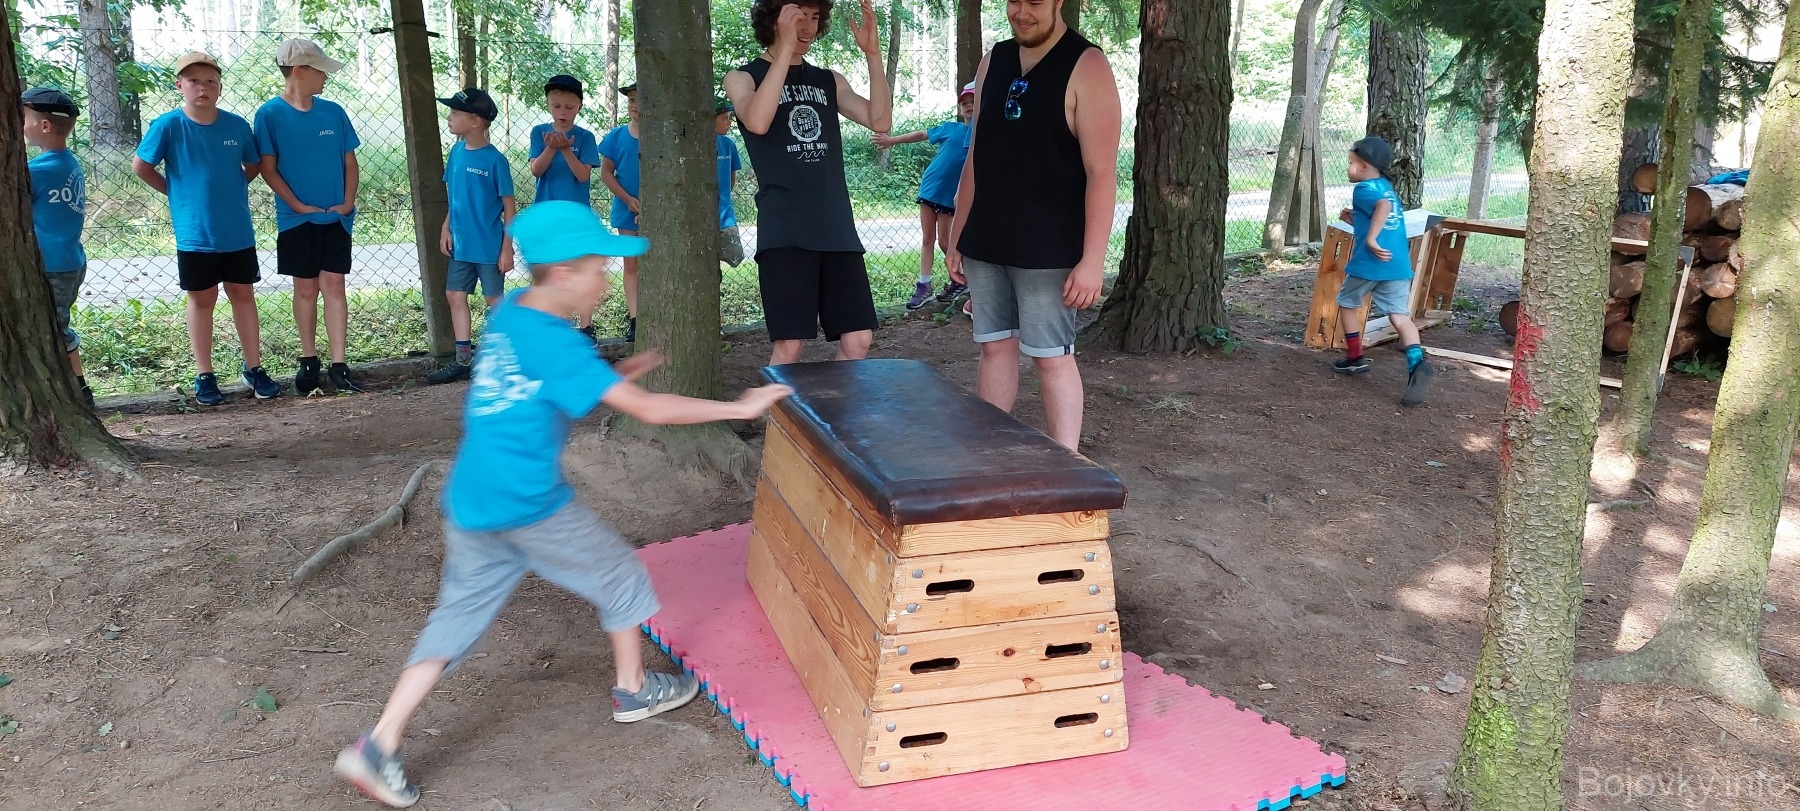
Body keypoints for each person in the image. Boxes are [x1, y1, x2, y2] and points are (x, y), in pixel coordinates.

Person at [330, 201, 793, 808]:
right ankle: (633, 688)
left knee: (456, 618)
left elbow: (542, 387)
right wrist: (739, 406)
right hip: (528, 505)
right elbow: (648, 410)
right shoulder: (559, 343)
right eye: (600, 269)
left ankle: (379, 744)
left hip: (472, 501)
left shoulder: (510, 313)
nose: (607, 282)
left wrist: (619, 372)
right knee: (621, 574)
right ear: (566, 273)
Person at [946, 0, 1121, 451]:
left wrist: (1092, 260)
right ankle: (988, 456)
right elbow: (977, 154)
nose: (1022, 12)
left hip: (1049, 248)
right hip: (987, 238)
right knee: (994, 348)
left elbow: (1102, 172)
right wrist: (958, 233)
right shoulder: (994, 60)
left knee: (1051, 359)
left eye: (1035, 2)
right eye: (1014, 1)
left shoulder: (1087, 64)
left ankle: (1068, 467)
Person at [723, 0, 892, 366]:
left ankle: (836, 404)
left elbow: (880, 121)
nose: (809, 28)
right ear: (775, 19)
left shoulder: (828, 80)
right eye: (799, 18)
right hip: (785, 229)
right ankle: (775, 406)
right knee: (790, 346)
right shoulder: (743, 77)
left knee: (859, 339)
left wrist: (873, 54)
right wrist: (785, 50)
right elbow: (757, 122)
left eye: (815, 18)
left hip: (836, 227)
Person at [133, 51, 283, 406]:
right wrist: (176, 192)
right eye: (194, 81)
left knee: (242, 295)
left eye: (211, 81)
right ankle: (205, 374)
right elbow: (141, 166)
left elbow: (252, 165)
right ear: (180, 86)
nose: (203, 88)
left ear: (219, 87)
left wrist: (232, 186)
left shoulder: (236, 126)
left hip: (236, 230)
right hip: (196, 234)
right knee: (202, 300)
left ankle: (254, 367)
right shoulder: (168, 125)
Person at [254, 38, 366, 396]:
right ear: (299, 71)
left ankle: (339, 364)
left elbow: (350, 162)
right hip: (296, 219)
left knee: (334, 286)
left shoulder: (333, 112)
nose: (326, 77)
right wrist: (298, 206)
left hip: (336, 218)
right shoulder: (269, 114)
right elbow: (268, 169)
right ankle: (308, 360)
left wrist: (347, 202)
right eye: (321, 71)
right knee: (305, 289)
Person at [1332, 136, 1433, 406]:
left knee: (1347, 302)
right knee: (1400, 315)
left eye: (1351, 162)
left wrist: (1371, 239)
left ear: (1364, 166)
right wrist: (1356, 220)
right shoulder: (1386, 187)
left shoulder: (1363, 189)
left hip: (1369, 263)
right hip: (1397, 264)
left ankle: (1355, 357)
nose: (1348, 168)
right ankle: (1416, 363)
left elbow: (1382, 209)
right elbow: (1383, 214)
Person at [427, 87, 516, 385]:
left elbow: (509, 207)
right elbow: (455, 198)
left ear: (476, 121)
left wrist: (507, 248)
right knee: (455, 294)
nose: (449, 118)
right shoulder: (456, 153)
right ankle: (463, 360)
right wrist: (446, 227)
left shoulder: (495, 160)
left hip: (489, 246)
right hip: (461, 244)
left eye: (455, 113)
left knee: (494, 299)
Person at [874, 82, 975, 310]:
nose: (969, 106)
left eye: (973, 102)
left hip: (951, 197)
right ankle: (924, 285)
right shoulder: (950, 128)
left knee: (947, 242)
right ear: (960, 109)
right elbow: (922, 134)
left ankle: (962, 280)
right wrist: (891, 140)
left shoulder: (980, 134)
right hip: (930, 189)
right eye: (965, 104)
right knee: (928, 238)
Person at [22, 87, 92, 407]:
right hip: (69, 260)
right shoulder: (68, 163)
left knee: (55, 328)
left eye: (24, 118)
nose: (20, 124)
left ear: (45, 126)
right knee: (56, 323)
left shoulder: (37, 171)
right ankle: (77, 386)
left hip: (54, 265)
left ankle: (78, 390)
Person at [531, 74, 604, 339]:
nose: (563, 112)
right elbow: (536, 170)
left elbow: (583, 175)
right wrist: (551, 148)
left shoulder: (585, 137)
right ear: (548, 105)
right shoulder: (539, 133)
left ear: (579, 107)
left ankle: (586, 326)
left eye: (569, 107)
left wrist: (565, 149)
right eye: (557, 106)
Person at [597, 83, 644, 343]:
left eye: (641, 99)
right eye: (632, 100)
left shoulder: (661, 137)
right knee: (632, 264)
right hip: (627, 211)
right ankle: (636, 319)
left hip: (657, 210)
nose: (636, 105)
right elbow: (606, 173)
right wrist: (628, 199)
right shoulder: (616, 137)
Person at [715, 100, 746, 270]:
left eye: (729, 118)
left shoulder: (728, 144)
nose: (729, 123)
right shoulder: (696, 146)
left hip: (725, 214)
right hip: (703, 212)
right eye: (724, 118)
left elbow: (732, 178)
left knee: (731, 254)